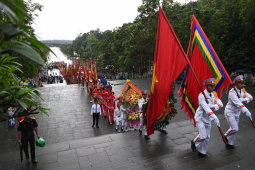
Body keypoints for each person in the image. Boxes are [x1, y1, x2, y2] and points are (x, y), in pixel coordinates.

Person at [191, 78, 223, 157]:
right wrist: (215, 117)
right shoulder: (201, 95)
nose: (213, 88)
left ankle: (202, 152)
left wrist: (213, 106)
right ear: (207, 86)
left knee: (207, 137)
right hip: (201, 117)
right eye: (211, 86)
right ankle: (194, 142)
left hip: (208, 118)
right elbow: (206, 108)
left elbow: (221, 104)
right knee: (202, 135)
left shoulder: (214, 94)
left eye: (213, 86)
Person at [224, 75, 253, 149]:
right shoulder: (232, 92)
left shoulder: (243, 90)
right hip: (230, 111)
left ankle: (230, 143)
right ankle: (225, 136)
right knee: (234, 128)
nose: (243, 85)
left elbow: (250, 97)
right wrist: (246, 111)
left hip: (237, 112)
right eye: (241, 83)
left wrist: (244, 99)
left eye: (243, 83)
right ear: (236, 84)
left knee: (233, 129)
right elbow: (237, 103)